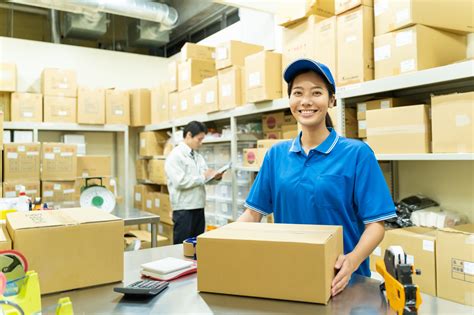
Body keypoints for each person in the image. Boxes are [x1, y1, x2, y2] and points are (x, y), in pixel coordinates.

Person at [237, 58, 396, 297]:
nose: (306, 101)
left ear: (331, 99)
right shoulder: (276, 156)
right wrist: (219, 242)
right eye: (298, 93)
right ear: (290, 100)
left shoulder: (356, 154)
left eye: (316, 92)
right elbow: (252, 214)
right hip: (287, 276)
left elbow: (376, 225)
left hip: (343, 283)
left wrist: (351, 261)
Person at [165, 121, 221, 244]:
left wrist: (215, 177)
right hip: (184, 209)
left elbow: (203, 179)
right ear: (189, 135)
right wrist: (203, 176)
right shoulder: (175, 156)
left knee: (197, 246)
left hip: (198, 207)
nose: (201, 143)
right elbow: (180, 182)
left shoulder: (197, 156)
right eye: (199, 139)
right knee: (182, 247)